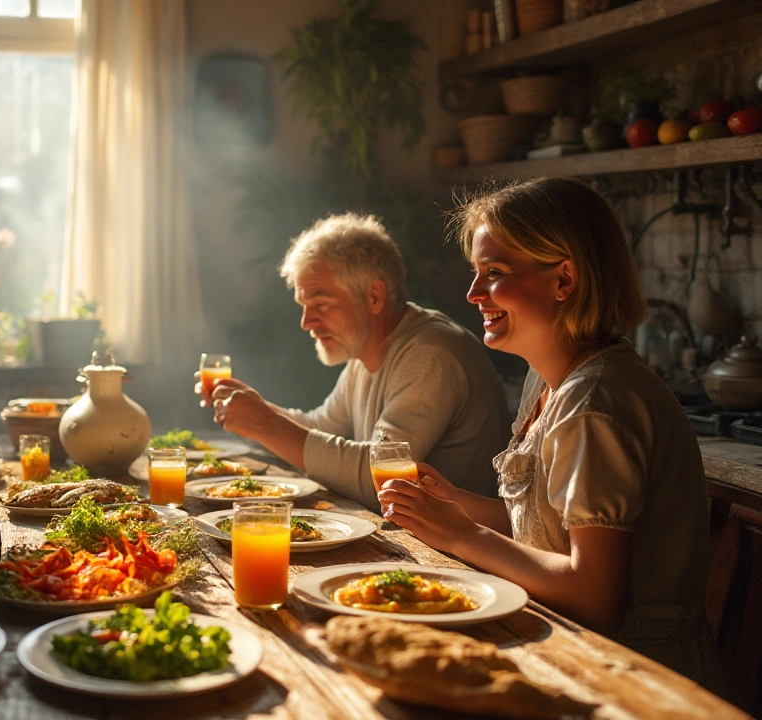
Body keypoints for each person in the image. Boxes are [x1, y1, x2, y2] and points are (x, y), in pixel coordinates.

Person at [379, 177, 715, 687]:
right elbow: (549, 532)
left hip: (628, 680)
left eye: (493, 273)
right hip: (568, 651)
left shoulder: (593, 404)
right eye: (476, 273)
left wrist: (462, 534)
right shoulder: (552, 380)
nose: (472, 294)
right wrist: (456, 504)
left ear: (564, 280)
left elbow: (595, 598)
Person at [202, 212, 510, 512]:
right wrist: (250, 410)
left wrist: (264, 423)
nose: (306, 322)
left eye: (320, 303)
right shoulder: (366, 350)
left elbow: (377, 478)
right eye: (304, 306)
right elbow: (319, 428)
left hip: (457, 558)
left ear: (374, 297)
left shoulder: (432, 354)